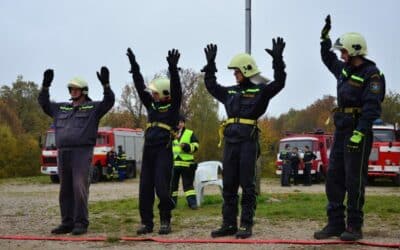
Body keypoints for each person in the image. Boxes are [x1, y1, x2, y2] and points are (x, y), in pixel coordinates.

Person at [201, 38, 286, 239]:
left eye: (237, 71)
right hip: (230, 143)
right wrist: (211, 66)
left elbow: (280, 82)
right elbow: (212, 86)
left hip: (248, 142)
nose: (234, 74)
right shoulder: (230, 91)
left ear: (247, 70)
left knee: (247, 186)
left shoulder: (261, 91)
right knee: (229, 184)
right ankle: (228, 224)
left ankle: (246, 225)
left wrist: (278, 61)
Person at [314, 15, 385, 241]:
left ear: (355, 51)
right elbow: (327, 58)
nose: (341, 55)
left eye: (344, 51)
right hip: (342, 130)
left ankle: (354, 226)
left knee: (354, 179)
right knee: (334, 176)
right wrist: (324, 38)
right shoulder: (344, 70)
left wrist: (360, 132)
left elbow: (372, 108)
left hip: (358, 131)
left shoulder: (371, 74)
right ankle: (335, 223)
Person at [38, 67, 115, 235]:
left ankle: (81, 223)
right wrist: (45, 86)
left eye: (76, 89)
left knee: (79, 186)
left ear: (84, 91)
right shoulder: (62, 108)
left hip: (82, 152)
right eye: (71, 89)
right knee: (65, 188)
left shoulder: (92, 108)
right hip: (63, 152)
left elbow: (108, 102)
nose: (73, 91)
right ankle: (67, 222)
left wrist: (106, 85)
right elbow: (44, 104)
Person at [126, 47, 181, 235]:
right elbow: (140, 87)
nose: (153, 95)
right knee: (145, 190)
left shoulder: (173, 108)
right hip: (148, 151)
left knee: (162, 189)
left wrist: (173, 69)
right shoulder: (151, 106)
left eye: (156, 93)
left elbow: (177, 90)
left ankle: (165, 220)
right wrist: (135, 67)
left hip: (163, 151)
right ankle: (146, 223)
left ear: (165, 93)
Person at [171, 115, 200, 209]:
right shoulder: (171, 134)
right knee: (172, 186)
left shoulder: (189, 133)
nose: (179, 124)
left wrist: (187, 147)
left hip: (187, 165)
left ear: (184, 123)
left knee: (188, 186)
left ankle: (192, 204)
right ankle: (172, 204)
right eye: (177, 122)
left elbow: (196, 145)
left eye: (181, 122)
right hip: (174, 164)